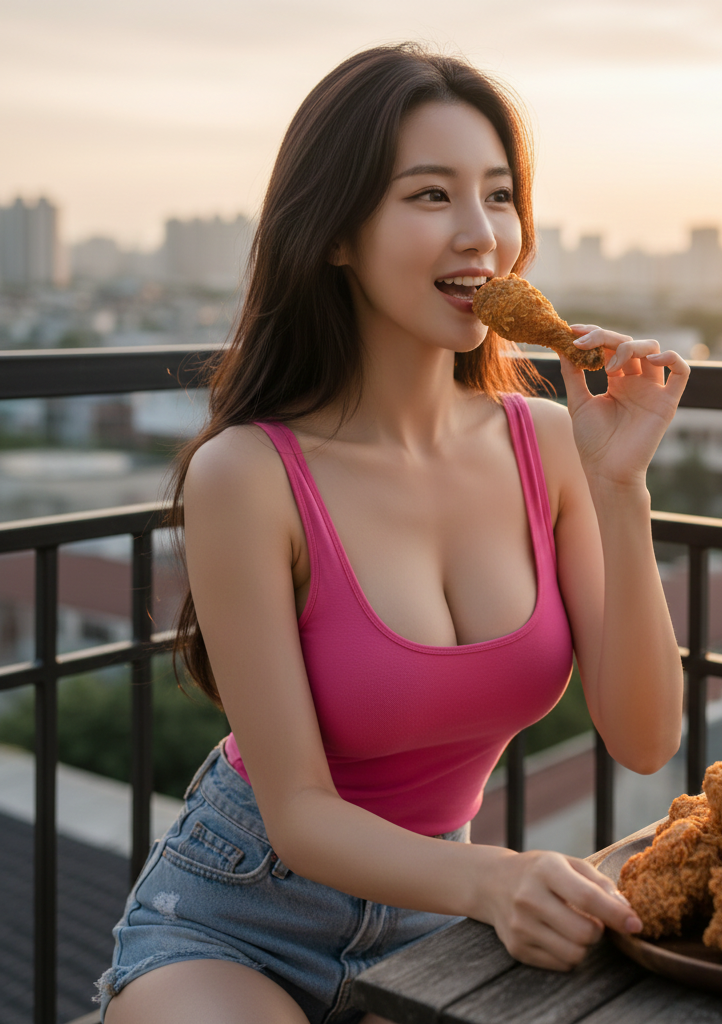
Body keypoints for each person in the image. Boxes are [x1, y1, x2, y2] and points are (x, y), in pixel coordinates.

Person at [99, 43, 689, 1024]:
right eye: (429, 196)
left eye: (499, 197)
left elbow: (643, 735)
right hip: (237, 913)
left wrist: (618, 482)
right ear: (336, 233)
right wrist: (497, 881)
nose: (481, 236)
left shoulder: (552, 444)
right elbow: (298, 811)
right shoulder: (247, 474)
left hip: (437, 913)